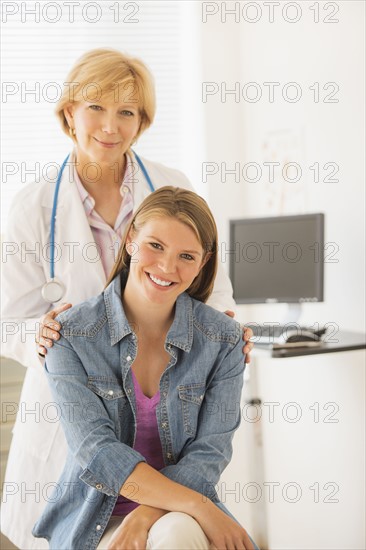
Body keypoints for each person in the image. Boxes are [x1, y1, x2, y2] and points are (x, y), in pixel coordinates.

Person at [1, 48, 253, 549]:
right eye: (95, 107)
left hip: (166, 401)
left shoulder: (172, 187)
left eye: (127, 112)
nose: (109, 126)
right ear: (69, 112)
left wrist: (224, 335)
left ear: (143, 121)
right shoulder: (32, 207)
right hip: (72, 409)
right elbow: (8, 318)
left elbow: (211, 286)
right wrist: (46, 338)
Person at [32, 186, 258, 550]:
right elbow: (98, 451)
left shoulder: (225, 340)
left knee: (178, 532)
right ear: (131, 239)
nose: (168, 267)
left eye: (186, 255)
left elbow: (210, 453)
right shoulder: (69, 335)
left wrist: (145, 513)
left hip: (182, 513)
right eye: (156, 245)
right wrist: (196, 504)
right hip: (96, 521)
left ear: (204, 262)